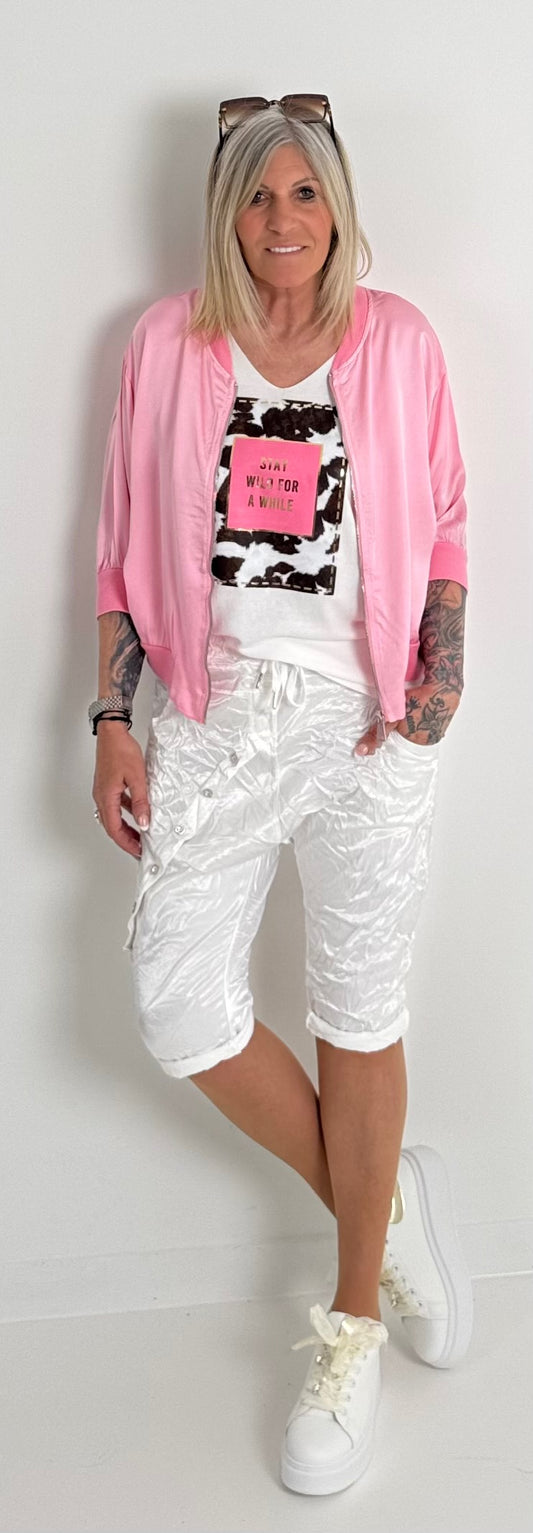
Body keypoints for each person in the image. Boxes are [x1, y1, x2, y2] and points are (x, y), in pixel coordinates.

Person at [90, 95, 473, 1497]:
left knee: (356, 1010)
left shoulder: (399, 340)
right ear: (226, 210)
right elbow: (121, 546)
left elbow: (444, 520)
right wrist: (110, 720)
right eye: (257, 195)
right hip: (213, 718)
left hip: (366, 724)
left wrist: (440, 675)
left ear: (338, 206)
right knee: (176, 1000)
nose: (282, 220)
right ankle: (386, 1210)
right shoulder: (164, 344)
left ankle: (352, 1318)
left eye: (306, 192)